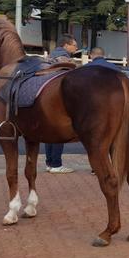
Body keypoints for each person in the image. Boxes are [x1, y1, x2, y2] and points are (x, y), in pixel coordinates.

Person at [45, 34, 77, 174]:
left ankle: (49, 163)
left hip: (46, 99)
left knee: (49, 132)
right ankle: (57, 164)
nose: (76, 47)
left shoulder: (49, 57)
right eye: (74, 45)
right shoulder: (65, 60)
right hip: (59, 99)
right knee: (59, 131)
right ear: (66, 45)